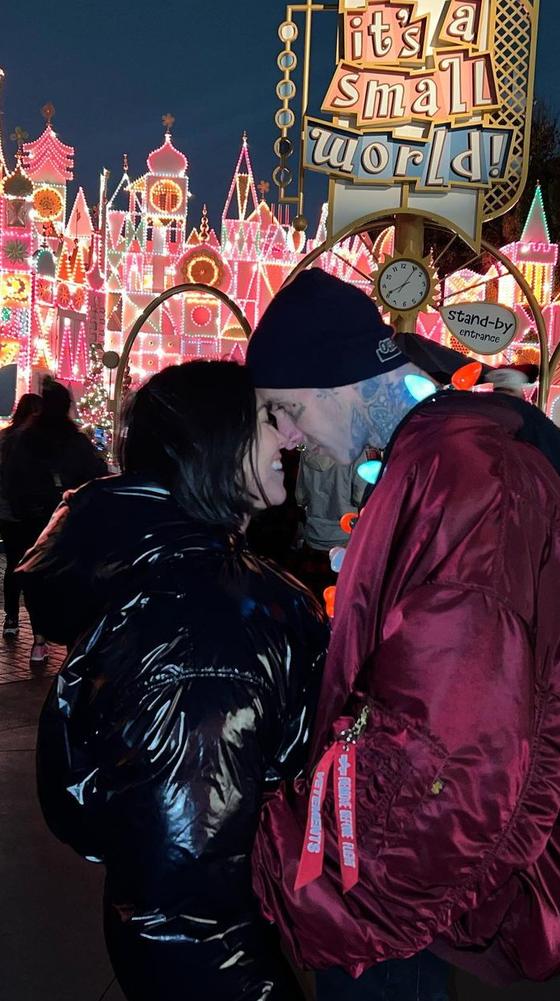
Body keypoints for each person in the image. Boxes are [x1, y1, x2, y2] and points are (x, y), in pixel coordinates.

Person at [246, 269, 560, 996]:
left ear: (338, 379)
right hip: (398, 878)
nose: (291, 436)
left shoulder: (460, 478)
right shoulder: (436, 460)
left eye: (287, 408)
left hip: (385, 894)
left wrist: (316, 882)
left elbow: (451, 748)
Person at [20, 361, 328, 1001]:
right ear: (213, 443)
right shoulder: (209, 625)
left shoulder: (194, 583)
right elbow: (181, 905)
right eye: (274, 419)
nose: (293, 437)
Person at [3, 377, 107, 663]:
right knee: (70, 577)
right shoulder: (75, 441)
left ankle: (38, 639)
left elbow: (13, 479)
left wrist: (22, 508)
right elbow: (97, 474)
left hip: (30, 520)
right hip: (66, 520)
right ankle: (73, 642)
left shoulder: (26, 439)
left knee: (32, 575)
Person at [294, 450, 367, 599]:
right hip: (344, 541)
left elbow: (300, 497)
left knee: (312, 601)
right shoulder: (357, 451)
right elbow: (360, 498)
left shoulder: (307, 449)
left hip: (313, 537)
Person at [0, 392, 42, 637]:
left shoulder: (4, 437)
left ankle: (12, 618)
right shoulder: (34, 441)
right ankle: (38, 631)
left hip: (6, 511)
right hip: (32, 513)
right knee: (34, 567)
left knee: (13, 565)